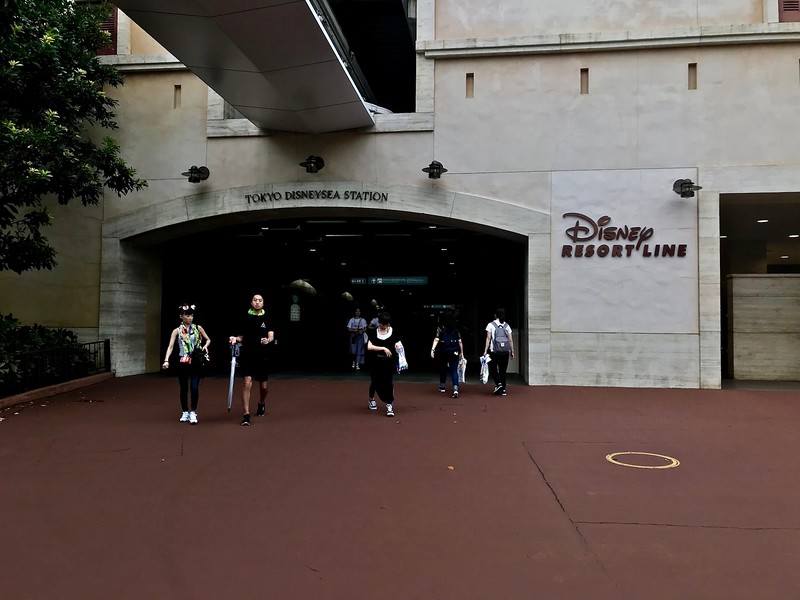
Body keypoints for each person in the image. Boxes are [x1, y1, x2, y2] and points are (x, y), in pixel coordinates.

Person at [229, 294, 274, 426]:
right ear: (251, 302)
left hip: (263, 355)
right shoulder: (244, 317)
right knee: (247, 382)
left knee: (263, 387)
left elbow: (271, 335)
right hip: (248, 354)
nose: (257, 302)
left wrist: (268, 340)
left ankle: (261, 402)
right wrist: (235, 339)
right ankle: (246, 414)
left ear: (263, 303)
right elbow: (241, 337)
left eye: (260, 300)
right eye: (255, 300)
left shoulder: (267, 317)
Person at [162, 304, 211, 424]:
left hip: (196, 360)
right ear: (181, 316)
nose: (190, 318)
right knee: (184, 388)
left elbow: (208, 339)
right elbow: (171, 346)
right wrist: (166, 360)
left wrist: (205, 346)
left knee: (194, 387)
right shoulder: (177, 331)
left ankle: (193, 412)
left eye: (191, 316)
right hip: (183, 360)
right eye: (187, 315)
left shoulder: (198, 328)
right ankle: (185, 411)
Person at [366, 311, 402, 417]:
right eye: (384, 324)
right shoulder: (374, 332)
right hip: (376, 362)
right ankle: (371, 398)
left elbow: (398, 343)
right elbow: (369, 346)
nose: (386, 326)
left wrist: (398, 346)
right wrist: (383, 348)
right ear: (380, 323)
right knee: (375, 382)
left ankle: (389, 405)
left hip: (388, 362)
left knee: (388, 382)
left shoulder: (392, 331)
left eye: (388, 324)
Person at [431, 312, 464, 398]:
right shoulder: (456, 328)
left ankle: (442, 385)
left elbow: (436, 339)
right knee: (454, 370)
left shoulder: (441, 328)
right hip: (454, 350)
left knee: (443, 367)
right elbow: (460, 341)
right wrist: (462, 353)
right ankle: (455, 388)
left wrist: (432, 350)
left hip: (444, 350)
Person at [483, 308, 514, 396]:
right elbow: (510, 340)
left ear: (495, 315)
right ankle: (503, 389)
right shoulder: (507, 326)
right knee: (503, 370)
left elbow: (488, 338)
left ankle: (498, 384)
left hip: (494, 351)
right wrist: (512, 351)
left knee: (493, 368)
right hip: (505, 352)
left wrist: (485, 350)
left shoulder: (490, 325)